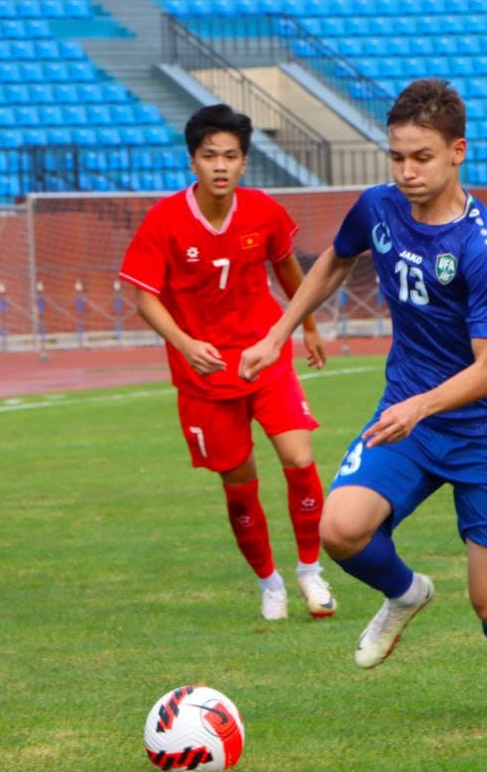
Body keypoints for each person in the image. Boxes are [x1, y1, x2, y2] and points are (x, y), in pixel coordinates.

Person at [240, 79, 487, 718]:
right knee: (341, 530)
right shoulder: (377, 207)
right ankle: (406, 594)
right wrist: (279, 332)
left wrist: (418, 406)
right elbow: (334, 260)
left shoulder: (483, 244)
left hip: (486, 432)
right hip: (411, 416)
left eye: (422, 158)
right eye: (397, 156)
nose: (407, 172)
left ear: (457, 151)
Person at [118, 104, 336, 622]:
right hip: (204, 373)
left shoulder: (263, 210)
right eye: (210, 155)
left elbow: (286, 264)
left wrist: (304, 324)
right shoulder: (165, 219)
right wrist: (184, 342)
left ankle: (310, 572)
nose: (220, 165)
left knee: (300, 459)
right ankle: (270, 583)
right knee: (239, 485)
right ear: (192, 161)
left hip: (264, 355)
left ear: (244, 163)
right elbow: (142, 295)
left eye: (231, 156)